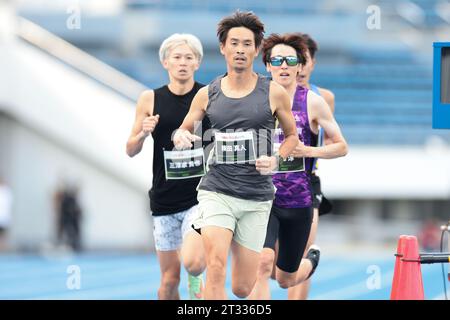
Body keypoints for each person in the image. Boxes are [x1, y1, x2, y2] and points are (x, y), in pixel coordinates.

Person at [173, 10, 299, 300]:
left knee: (242, 289)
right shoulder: (208, 94)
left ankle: (196, 229)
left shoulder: (275, 92)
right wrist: (181, 135)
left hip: (256, 197)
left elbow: (292, 137)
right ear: (223, 48)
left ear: (256, 50)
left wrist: (277, 159)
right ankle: (204, 228)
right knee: (215, 266)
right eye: (234, 43)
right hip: (217, 190)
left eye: (246, 44)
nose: (240, 50)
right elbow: (184, 128)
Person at [248, 33, 348, 299]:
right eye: (277, 60)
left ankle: (312, 259)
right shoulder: (256, 99)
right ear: (268, 65)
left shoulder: (315, 101)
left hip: (299, 196)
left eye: (290, 60)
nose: (283, 65)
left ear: (299, 66)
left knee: (285, 279)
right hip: (264, 196)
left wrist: (308, 150)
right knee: (262, 263)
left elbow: (341, 146)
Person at [126, 33, 209, 300]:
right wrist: (142, 134)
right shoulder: (149, 99)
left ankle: (196, 281)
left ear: (197, 63)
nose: (183, 62)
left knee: (194, 264)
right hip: (163, 200)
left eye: (189, 57)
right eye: (177, 57)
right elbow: (130, 149)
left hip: (199, 197)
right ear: (166, 63)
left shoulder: (208, 96)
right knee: (168, 282)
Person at [289, 33, 337, 300]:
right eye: (296, 59)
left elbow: (333, 143)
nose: (301, 66)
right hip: (272, 181)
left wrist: (310, 151)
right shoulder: (272, 93)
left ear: (312, 63)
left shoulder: (324, 98)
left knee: (303, 249)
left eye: (305, 60)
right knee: (270, 263)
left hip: (307, 179)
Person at [0, 177, 13, 252]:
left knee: (3, 235)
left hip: (4, 217)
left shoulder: (6, 191)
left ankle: (2, 250)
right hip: (4, 216)